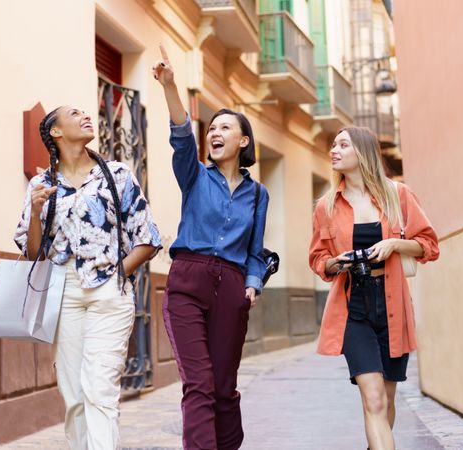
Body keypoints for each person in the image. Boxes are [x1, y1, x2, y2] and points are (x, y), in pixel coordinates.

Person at [14, 106, 161, 450]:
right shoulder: (42, 184)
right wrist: (36, 212)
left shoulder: (118, 175)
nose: (85, 116)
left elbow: (148, 237)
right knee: (74, 394)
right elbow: (34, 251)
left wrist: (116, 274)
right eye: (74, 113)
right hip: (62, 292)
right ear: (56, 132)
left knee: (100, 388)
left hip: (108, 293)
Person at [152, 44, 269, 450]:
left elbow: (256, 249)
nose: (214, 133)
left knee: (223, 388)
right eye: (212, 128)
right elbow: (182, 137)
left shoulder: (258, 194)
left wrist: (253, 282)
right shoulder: (195, 176)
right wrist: (170, 87)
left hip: (233, 288)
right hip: (188, 281)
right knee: (198, 384)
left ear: (243, 141)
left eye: (224, 128)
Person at [309, 126, 439, 449]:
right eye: (333, 145)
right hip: (355, 307)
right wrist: (336, 262)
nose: (333, 150)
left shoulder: (398, 195)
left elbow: (429, 245)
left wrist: (395, 243)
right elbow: (318, 259)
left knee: (388, 400)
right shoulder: (326, 206)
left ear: (363, 153)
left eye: (343, 144)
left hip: (393, 305)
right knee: (375, 400)